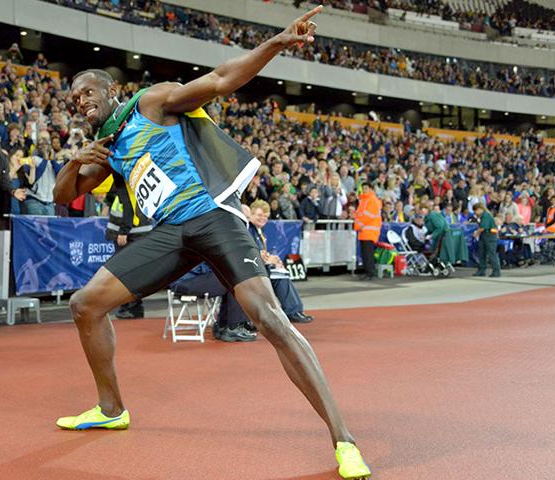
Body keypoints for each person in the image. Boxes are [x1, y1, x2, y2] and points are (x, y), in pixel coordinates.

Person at [52, 7, 370, 479]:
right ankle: (111, 408)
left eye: (88, 92)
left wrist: (278, 43)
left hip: (210, 218)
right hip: (169, 234)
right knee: (86, 304)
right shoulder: (108, 146)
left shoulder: (150, 102)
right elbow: (63, 198)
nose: (80, 101)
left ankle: (344, 440)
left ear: (110, 90)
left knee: (270, 320)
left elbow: (220, 80)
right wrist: (75, 162)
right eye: (73, 98)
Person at [249, 200, 313, 324]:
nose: (263, 219)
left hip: (260, 268)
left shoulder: (258, 231)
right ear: (251, 215)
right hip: (253, 272)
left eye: (266, 216)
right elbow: (253, 254)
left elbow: (262, 252)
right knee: (280, 277)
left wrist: (272, 259)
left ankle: (296, 310)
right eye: (259, 215)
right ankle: (292, 311)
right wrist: (268, 260)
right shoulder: (249, 231)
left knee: (282, 273)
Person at [104, 172, 151, 319]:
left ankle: (131, 307)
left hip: (129, 234)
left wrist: (123, 231)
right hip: (139, 232)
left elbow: (127, 206)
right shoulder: (137, 178)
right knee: (132, 271)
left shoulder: (122, 178)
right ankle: (132, 307)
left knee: (125, 273)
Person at [354, 182, 382, 280]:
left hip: (368, 231)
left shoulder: (372, 200)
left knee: (368, 254)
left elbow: (368, 216)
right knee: (365, 253)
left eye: (366, 188)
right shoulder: (364, 200)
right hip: (364, 231)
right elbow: (359, 215)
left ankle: (370, 273)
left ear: (370, 189)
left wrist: (358, 225)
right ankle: (367, 272)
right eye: (363, 188)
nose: (364, 190)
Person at [472, 203, 501, 278]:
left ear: (479, 209)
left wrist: (476, 234)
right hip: (484, 236)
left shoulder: (486, 215)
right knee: (481, 254)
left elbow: (483, 227)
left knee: (492, 254)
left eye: (475, 211)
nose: (475, 213)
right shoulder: (482, 216)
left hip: (490, 236)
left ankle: (496, 271)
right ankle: (481, 270)